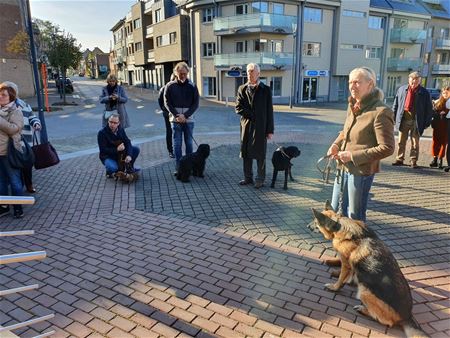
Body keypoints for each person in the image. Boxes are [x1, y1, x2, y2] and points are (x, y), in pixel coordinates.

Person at [327, 67, 395, 222]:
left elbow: (387, 148)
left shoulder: (381, 111)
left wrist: (352, 155)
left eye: (357, 82)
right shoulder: (353, 105)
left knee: (354, 215)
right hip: (342, 167)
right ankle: (341, 242)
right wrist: (336, 144)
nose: (352, 86)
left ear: (370, 84)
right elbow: (345, 131)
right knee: (336, 208)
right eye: (350, 82)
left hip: (361, 171)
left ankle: (357, 244)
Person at [236, 63, 274, 189]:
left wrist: (270, 130)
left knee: (260, 154)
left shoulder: (266, 89)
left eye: (252, 71)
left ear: (258, 73)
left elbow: (269, 111)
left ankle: (260, 179)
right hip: (246, 126)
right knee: (246, 153)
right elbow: (238, 108)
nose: (249, 73)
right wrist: (252, 115)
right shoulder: (242, 88)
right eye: (248, 71)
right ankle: (248, 177)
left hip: (261, 127)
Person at [1, 81, 41, 193]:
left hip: (25, 140)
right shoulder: (3, 106)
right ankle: (18, 187)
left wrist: (36, 123)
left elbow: (32, 116)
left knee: (27, 165)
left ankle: (28, 185)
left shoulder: (23, 105)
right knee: (14, 166)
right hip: (11, 142)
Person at [391, 71, 433, 168]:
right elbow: (395, 104)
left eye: (416, 80)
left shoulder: (424, 92)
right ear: (409, 80)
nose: (414, 82)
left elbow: (429, 109)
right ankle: (399, 159)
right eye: (412, 80)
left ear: (419, 81)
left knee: (415, 142)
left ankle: (413, 161)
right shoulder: (401, 89)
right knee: (401, 141)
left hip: (416, 121)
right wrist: (393, 116)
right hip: (403, 119)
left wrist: (427, 122)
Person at [164, 62, 199, 173]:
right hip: (176, 120)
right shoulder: (169, 86)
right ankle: (179, 168)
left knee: (189, 143)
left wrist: (186, 115)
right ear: (176, 73)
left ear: (188, 72)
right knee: (177, 144)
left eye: (184, 73)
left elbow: (196, 103)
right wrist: (177, 115)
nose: (182, 76)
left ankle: (189, 167)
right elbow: (167, 103)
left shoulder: (192, 86)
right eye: (180, 74)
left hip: (189, 120)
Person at [0, 83, 25, 218]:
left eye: (4, 95)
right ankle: (4, 207)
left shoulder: (16, 111)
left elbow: (14, 129)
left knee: (15, 181)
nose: (0, 96)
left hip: (10, 153)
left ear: (11, 97)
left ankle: (17, 207)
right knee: (1, 182)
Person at [97, 113, 139, 178]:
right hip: (108, 156)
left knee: (136, 149)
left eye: (115, 123)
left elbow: (127, 142)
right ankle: (109, 172)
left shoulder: (121, 129)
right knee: (113, 168)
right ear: (108, 121)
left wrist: (129, 155)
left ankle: (130, 167)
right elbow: (103, 150)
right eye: (111, 122)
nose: (112, 124)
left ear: (118, 123)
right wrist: (117, 149)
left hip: (120, 154)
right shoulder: (102, 133)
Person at [429, 86, 449, 169]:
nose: (445, 94)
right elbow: (433, 112)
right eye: (444, 93)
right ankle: (435, 159)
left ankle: (440, 159)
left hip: (446, 126)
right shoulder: (437, 101)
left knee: (443, 143)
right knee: (435, 142)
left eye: (447, 93)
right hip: (437, 126)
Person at [158, 75, 176, 158]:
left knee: (177, 131)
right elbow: (160, 100)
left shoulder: (178, 89)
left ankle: (177, 149)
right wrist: (164, 109)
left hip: (177, 113)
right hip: (167, 114)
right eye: (173, 80)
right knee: (169, 132)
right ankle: (170, 151)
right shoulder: (164, 88)